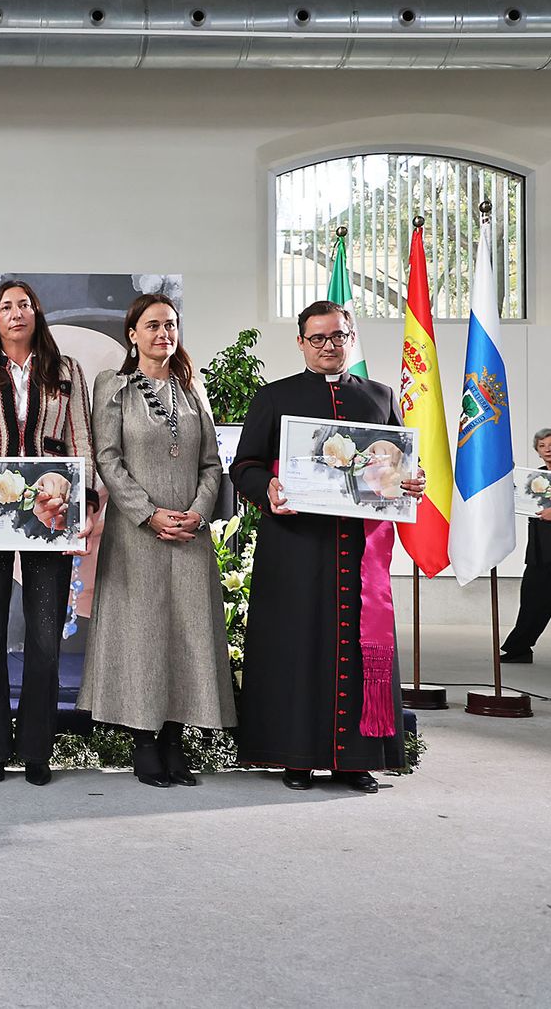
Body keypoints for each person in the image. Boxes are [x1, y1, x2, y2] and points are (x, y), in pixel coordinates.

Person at [230, 300, 426, 793]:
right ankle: (295, 757)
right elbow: (245, 466)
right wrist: (266, 490)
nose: (328, 346)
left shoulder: (380, 396)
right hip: (296, 547)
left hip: (358, 551)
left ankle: (354, 760)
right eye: (317, 338)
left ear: (351, 336)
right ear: (300, 343)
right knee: (298, 647)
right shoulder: (274, 397)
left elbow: (396, 467)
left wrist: (412, 482)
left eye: (337, 336)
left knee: (357, 651)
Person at [0, 280, 97, 786]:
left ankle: (36, 751)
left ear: (36, 313)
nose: (16, 313)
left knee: (46, 639)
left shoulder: (65, 371)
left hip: (51, 512)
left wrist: (88, 502)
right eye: (6, 306)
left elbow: (83, 442)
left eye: (24, 305)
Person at [76, 295, 236, 788]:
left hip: (189, 533)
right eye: (152, 326)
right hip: (136, 534)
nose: (163, 333)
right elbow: (107, 459)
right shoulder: (114, 387)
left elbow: (212, 463)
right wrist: (148, 515)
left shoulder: (193, 388)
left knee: (187, 635)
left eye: (170, 325)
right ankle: (144, 741)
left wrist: (196, 512)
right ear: (132, 334)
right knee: (141, 637)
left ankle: (175, 740)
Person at [500, 428, 551, 663]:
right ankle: (519, 649)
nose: (548, 449)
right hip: (540, 553)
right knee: (532, 604)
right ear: (537, 451)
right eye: (542, 446)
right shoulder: (533, 477)